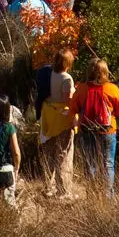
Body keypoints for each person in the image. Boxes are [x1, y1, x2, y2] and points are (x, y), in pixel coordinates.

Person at [74, 57, 119, 191]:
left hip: (86, 131)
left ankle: (92, 195)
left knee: (90, 165)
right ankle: (107, 197)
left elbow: (73, 107)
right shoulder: (112, 88)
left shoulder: (81, 88)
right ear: (105, 71)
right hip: (107, 131)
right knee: (108, 164)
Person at [38, 46, 77, 200]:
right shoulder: (67, 78)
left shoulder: (49, 74)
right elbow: (67, 100)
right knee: (64, 154)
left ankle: (48, 186)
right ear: (68, 63)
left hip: (49, 116)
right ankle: (64, 191)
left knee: (49, 152)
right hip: (63, 119)